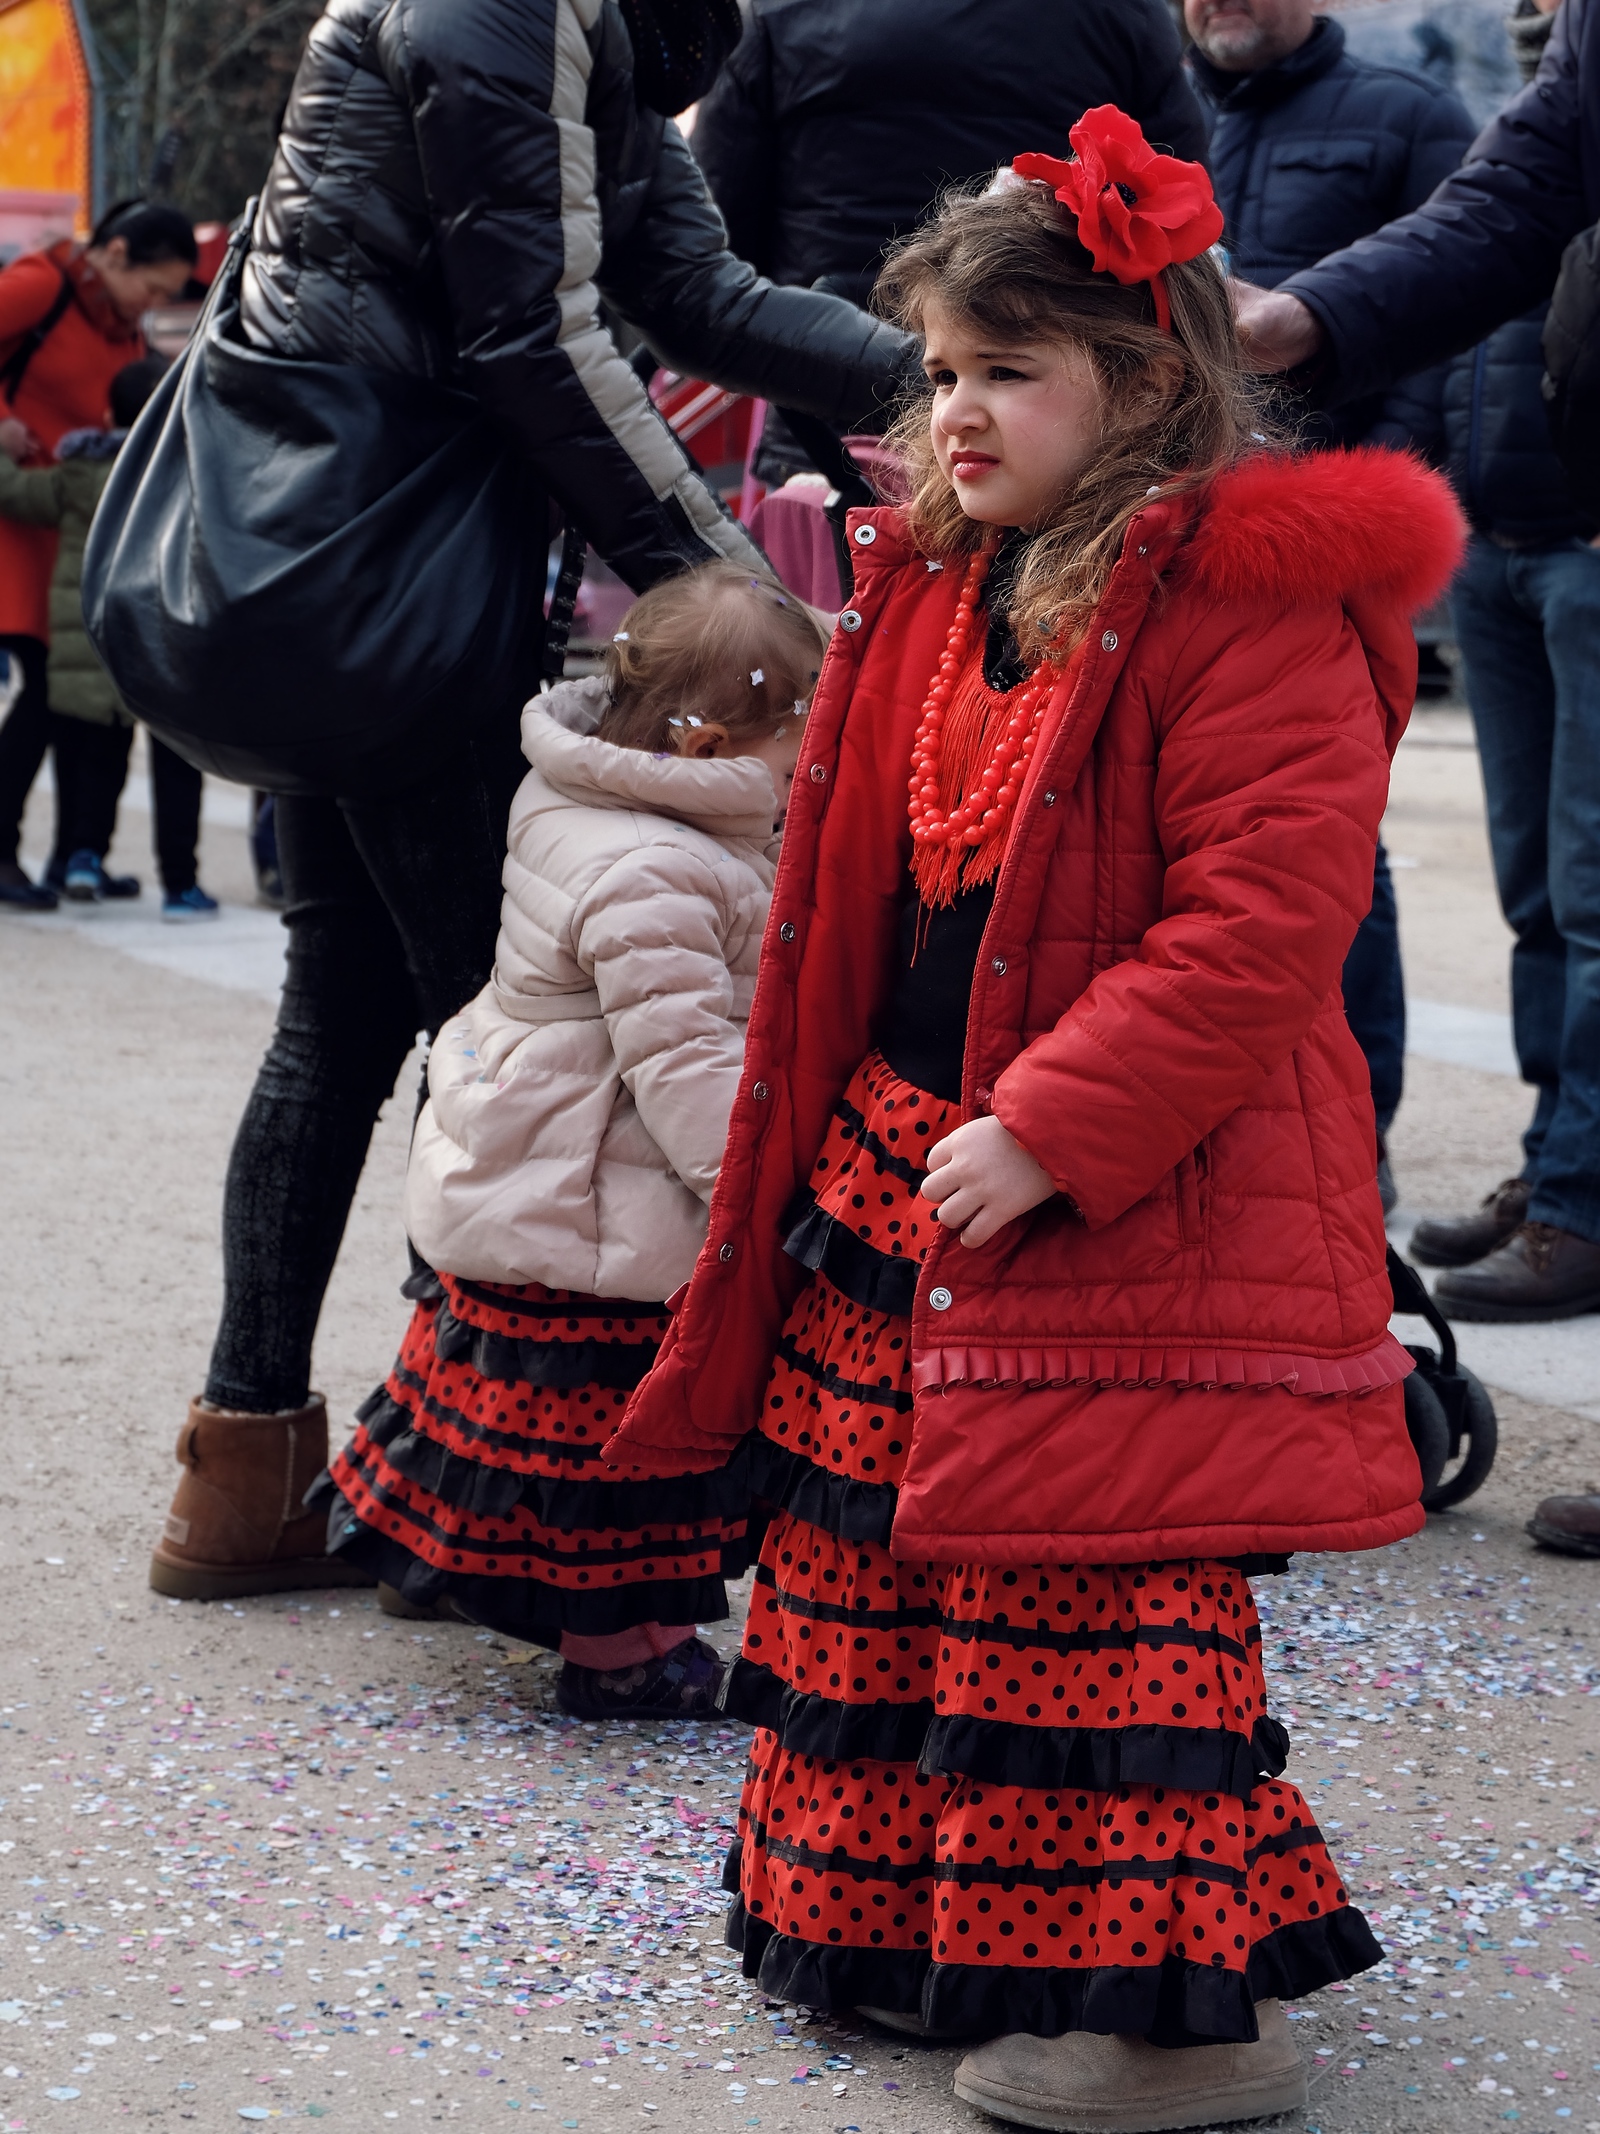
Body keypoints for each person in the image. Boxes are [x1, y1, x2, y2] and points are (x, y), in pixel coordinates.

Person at [602, 116, 1463, 2130]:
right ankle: (928, 1925)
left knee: (1083, 1590)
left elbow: (1259, 924)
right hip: (904, 1158)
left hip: (1097, 1187)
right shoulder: (943, 575)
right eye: (939, 369)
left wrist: (1059, 1124)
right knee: (893, 1555)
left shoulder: (1244, 603)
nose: (955, 409)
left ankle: (1170, 2022)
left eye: (1008, 370)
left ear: (1143, 383)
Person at [146, 0, 918, 1602]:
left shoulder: (586, 34)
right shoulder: (502, 8)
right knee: (507, 1046)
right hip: (381, 578)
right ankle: (481, 1502)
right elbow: (539, 336)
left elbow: (695, 290)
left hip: (336, 583)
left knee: (353, 1011)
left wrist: (945, 369)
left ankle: (253, 1478)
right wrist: (733, 612)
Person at [286, 566, 824, 1714]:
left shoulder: (585, 797)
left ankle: (531, 1595)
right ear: (708, 744)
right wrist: (750, 1196)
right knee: (613, 1445)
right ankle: (621, 1651)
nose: (797, 784)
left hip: (536, 1149)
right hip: (596, 1186)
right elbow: (680, 1062)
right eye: (789, 758)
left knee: (525, 1417)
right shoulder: (658, 870)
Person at [1230, 0, 1600, 1349]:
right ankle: (1567, 1166)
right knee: (1549, 896)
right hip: (1514, 526)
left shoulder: (1403, 111)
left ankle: (1577, 1186)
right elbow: (1521, 197)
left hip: (1547, 536)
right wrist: (1298, 317)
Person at [1186, 0, 1474, 1208]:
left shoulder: (1409, 117)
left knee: (1337, 850)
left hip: (1324, 549)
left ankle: (1357, 1134)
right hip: (1169, 545)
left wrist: (1364, 509)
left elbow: (1444, 332)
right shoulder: (1152, 120)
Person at [691, 0, 1207, 486]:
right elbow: (1177, 222)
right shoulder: (1122, 12)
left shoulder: (778, 12)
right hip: (1064, 426)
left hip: (825, 417)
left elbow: (718, 247)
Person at [0, 200, 196, 911]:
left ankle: (60, 857)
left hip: (66, 535)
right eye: (151, 287)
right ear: (115, 254)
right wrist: (2, 428)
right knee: (44, 696)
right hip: (17, 518)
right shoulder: (42, 285)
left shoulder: (118, 327)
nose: (155, 304)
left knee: (64, 700)